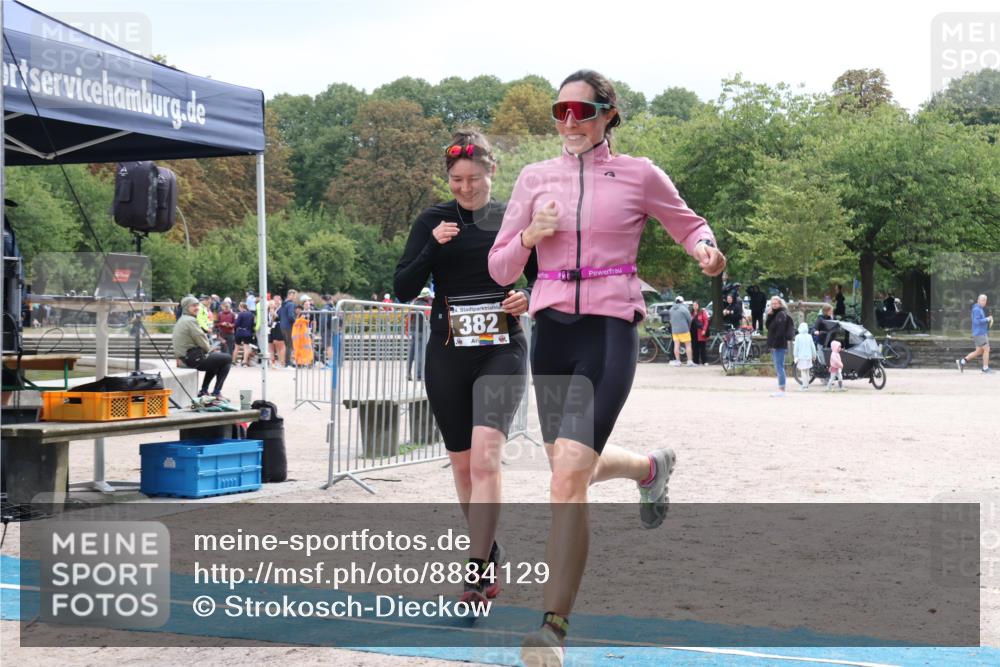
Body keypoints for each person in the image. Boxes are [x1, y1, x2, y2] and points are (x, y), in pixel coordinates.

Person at [487, 70, 725, 665]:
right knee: (569, 470)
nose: (570, 122)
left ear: (608, 113)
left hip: (611, 326)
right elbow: (498, 266)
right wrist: (530, 238)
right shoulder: (533, 178)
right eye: (559, 111)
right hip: (552, 335)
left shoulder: (641, 174)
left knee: (567, 477)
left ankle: (552, 628)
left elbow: (689, 224)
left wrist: (705, 251)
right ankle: (650, 466)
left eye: (582, 110)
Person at [394, 129, 537, 606]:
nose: (466, 188)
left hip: (502, 350)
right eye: (456, 180)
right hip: (448, 353)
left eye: (474, 178)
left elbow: (546, 279)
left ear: (492, 172)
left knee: (485, 456)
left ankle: (475, 569)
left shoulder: (515, 219)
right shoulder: (432, 220)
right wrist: (432, 247)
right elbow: (402, 288)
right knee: (461, 466)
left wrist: (528, 297)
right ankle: (487, 548)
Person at [172, 295, 232, 400]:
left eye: (197, 305)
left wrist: (210, 351)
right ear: (186, 307)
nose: (197, 308)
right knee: (227, 358)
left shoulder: (183, 319)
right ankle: (216, 392)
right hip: (190, 359)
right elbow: (201, 339)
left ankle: (204, 390)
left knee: (216, 360)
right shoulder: (190, 321)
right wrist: (210, 349)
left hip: (185, 358)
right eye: (193, 306)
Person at [765, 295, 796, 397]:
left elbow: (780, 331)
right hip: (774, 344)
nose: (773, 305)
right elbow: (768, 327)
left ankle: (782, 390)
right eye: (772, 304)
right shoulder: (774, 314)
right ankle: (780, 389)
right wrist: (769, 315)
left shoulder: (781, 314)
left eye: (775, 303)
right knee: (778, 366)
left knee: (779, 367)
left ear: (780, 304)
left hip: (779, 344)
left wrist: (774, 344)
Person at [956, 294, 993, 374]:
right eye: (982, 300)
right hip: (979, 333)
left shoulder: (979, 309)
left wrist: (987, 320)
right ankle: (985, 368)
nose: (984, 302)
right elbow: (977, 322)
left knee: (979, 351)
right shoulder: (977, 309)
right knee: (986, 349)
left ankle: (962, 361)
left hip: (981, 333)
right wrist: (987, 319)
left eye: (985, 300)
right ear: (978, 300)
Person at [406, 287, 433, 381]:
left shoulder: (414, 303)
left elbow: (408, 317)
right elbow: (429, 319)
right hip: (422, 331)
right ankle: (418, 375)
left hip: (413, 330)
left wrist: (407, 329)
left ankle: (408, 373)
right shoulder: (426, 306)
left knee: (411, 352)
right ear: (426, 296)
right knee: (420, 353)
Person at [668, 296, 693, 366]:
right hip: (684, 329)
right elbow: (690, 319)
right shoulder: (684, 309)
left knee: (676, 345)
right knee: (688, 345)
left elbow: (671, 320)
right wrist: (688, 326)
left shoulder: (671, 309)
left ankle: (678, 361)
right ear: (682, 301)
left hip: (675, 330)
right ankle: (689, 361)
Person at [793, 322, 817, 391]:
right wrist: (814, 355)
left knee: (803, 371)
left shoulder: (798, 337)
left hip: (801, 357)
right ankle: (807, 385)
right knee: (807, 371)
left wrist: (795, 356)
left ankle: (804, 386)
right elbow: (813, 347)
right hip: (809, 357)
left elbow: (796, 348)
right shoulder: (809, 336)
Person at [279, 289, 298, 367]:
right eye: (294, 295)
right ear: (290, 295)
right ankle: (288, 363)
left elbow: (279, 314)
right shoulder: (291, 304)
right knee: (289, 345)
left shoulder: (283, 304)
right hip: (289, 326)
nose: (295, 297)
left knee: (287, 345)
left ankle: (287, 362)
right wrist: (296, 322)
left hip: (282, 326)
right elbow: (291, 316)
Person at [234, 301, 256, 366]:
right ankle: (244, 362)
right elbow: (253, 324)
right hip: (248, 332)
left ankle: (233, 361)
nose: (239, 309)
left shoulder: (240, 314)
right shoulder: (251, 314)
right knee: (246, 347)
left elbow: (237, 323)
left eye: (239, 307)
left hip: (240, 332)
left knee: (236, 347)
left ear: (242, 307)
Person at [691, 300, 710, 365]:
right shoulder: (691, 313)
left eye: (696, 305)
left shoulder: (702, 312)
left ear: (698, 305)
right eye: (693, 305)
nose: (694, 306)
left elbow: (706, 321)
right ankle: (695, 361)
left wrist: (704, 329)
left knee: (702, 348)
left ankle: (704, 361)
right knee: (695, 347)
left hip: (701, 332)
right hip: (693, 332)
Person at [269, 295, 285, 368]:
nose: (275, 302)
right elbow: (272, 320)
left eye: (277, 300)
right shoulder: (273, 309)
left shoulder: (282, 309)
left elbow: (278, 318)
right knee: (271, 345)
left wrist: (272, 311)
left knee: (279, 345)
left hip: (278, 327)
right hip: (272, 328)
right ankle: (273, 362)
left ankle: (282, 362)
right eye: (274, 300)